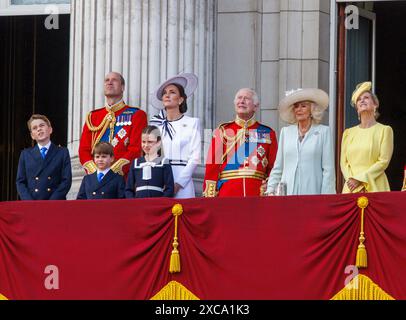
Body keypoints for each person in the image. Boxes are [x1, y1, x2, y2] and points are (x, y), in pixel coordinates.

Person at [202, 88, 278, 197]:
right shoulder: (222, 131)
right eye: (239, 98)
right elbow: (212, 167)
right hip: (228, 193)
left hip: (258, 194)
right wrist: (209, 196)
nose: (241, 101)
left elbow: (273, 167)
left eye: (246, 99)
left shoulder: (267, 132)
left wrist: (270, 189)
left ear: (255, 106)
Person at [265, 88, 336, 195]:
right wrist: (270, 190)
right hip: (288, 194)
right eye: (296, 106)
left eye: (303, 106)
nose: (299, 109)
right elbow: (278, 167)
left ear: (312, 110)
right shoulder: (286, 132)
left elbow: (328, 170)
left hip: (313, 193)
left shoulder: (323, 132)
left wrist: (326, 197)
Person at [79, 72, 147, 177]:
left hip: (123, 179)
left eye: (114, 80)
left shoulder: (137, 115)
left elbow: (136, 149)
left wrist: (112, 172)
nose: (109, 82)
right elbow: (84, 150)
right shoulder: (92, 117)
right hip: (96, 180)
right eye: (107, 80)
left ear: (122, 87)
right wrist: (96, 173)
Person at [149, 73, 201, 199]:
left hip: (183, 182)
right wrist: (158, 180)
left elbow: (195, 158)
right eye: (165, 93)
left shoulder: (192, 122)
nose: (167, 95)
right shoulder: (155, 123)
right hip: (159, 180)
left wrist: (178, 184)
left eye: (172, 92)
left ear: (181, 99)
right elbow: (151, 155)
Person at [340, 81, 393, 193]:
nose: (362, 100)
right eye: (359, 99)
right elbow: (343, 163)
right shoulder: (348, 133)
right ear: (357, 108)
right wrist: (352, 181)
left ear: (375, 105)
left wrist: (360, 180)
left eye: (366, 97)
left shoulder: (385, 130)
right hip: (351, 189)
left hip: (375, 186)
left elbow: (383, 161)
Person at [16, 114, 72, 200]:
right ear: (32, 135)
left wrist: (51, 203)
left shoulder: (62, 152)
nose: (39, 129)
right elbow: (20, 182)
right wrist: (29, 203)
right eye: (34, 128)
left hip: (55, 204)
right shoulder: (25, 154)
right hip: (32, 205)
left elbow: (66, 180)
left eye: (42, 125)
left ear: (50, 129)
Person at [125, 125, 174, 198]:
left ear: (158, 142)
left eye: (150, 142)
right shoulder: (135, 163)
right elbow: (128, 189)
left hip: (157, 204)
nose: (146, 145)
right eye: (143, 142)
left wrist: (160, 202)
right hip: (138, 205)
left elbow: (170, 188)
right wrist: (133, 203)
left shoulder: (164, 162)